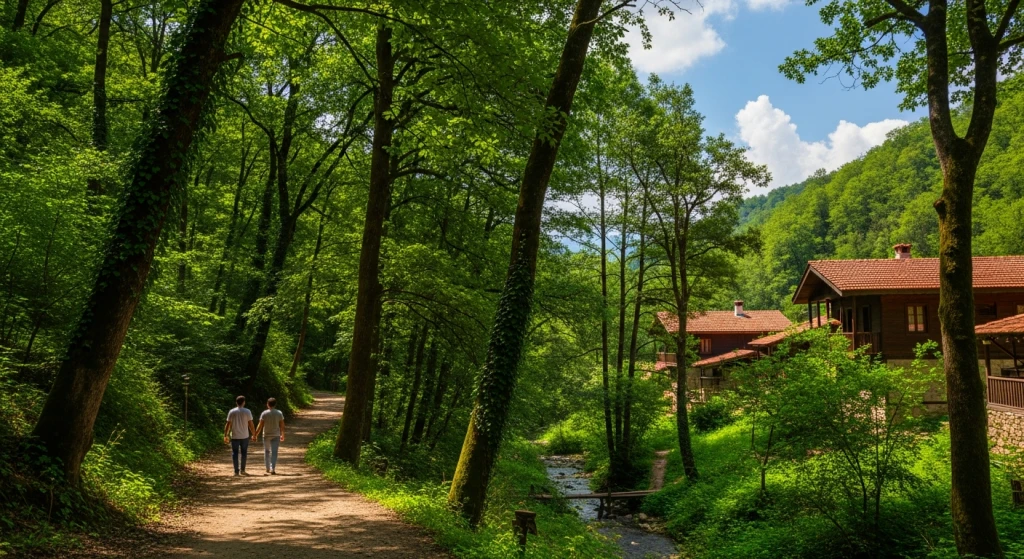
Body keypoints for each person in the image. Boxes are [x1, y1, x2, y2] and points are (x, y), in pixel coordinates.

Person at [224, 395, 256, 476]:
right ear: (244, 402)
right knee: (244, 453)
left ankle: (236, 471)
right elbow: (251, 424)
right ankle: (243, 470)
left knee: (235, 453)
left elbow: (228, 424)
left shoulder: (232, 411)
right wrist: (254, 434)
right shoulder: (247, 411)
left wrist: (226, 435)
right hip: (245, 436)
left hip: (235, 436)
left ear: (236, 402)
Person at [253, 397, 285, 475]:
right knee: (274, 452)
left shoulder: (264, 413)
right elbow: (282, 425)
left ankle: (267, 468)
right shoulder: (279, 413)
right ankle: (272, 468)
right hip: (276, 435)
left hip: (266, 435)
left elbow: (260, 425)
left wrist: (255, 434)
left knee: (267, 451)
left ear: (267, 404)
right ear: (275, 404)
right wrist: (282, 434)